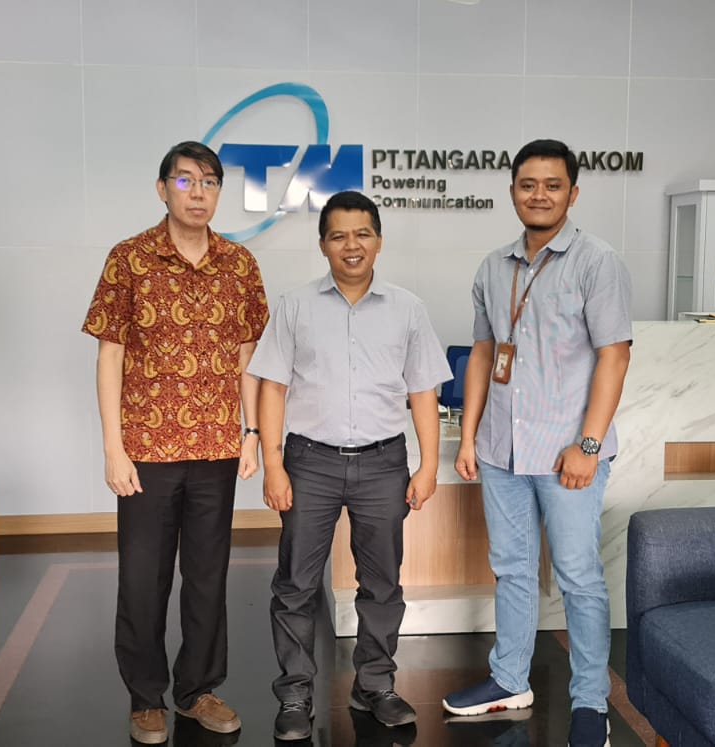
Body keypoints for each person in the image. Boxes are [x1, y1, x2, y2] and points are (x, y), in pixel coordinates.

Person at [441, 139, 633, 747]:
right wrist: (469, 436)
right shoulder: (492, 267)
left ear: (572, 193)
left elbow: (614, 356)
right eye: (528, 184)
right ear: (513, 192)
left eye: (552, 185)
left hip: (566, 452)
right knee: (512, 569)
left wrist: (589, 446)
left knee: (578, 577)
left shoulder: (597, 262)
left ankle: (590, 703)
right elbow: (482, 353)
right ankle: (509, 679)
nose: (539, 195)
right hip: (502, 448)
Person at [80, 141, 270, 744]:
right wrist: (113, 447)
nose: (198, 192)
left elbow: (248, 358)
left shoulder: (239, 265)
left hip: (216, 448)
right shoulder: (129, 259)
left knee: (208, 578)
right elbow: (110, 356)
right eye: (185, 180)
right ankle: (145, 697)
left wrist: (252, 432)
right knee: (143, 580)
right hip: (147, 451)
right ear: (162, 189)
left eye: (209, 181)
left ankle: (197, 690)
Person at [247, 190, 452, 741]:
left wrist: (427, 465)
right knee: (296, 583)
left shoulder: (408, 308)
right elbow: (272, 388)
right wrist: (273, 464)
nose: (351, 245)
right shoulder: (294, 306)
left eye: (362, 234)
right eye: (338, 236)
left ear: (379, 241)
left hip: (384, 463)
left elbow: (423, 392)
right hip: (308, 462)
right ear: (323, 245)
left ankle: (375, 686)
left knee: (382, 582)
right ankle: (295, 694)